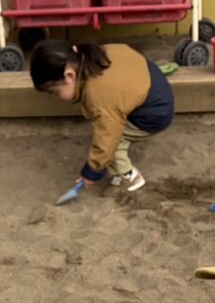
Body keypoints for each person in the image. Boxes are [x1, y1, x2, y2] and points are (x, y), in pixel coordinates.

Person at [29, 39, 174, 197]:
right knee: (107, 127)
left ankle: (129, 177)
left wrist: (92, 170)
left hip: (154, 113)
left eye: (55, 92)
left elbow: (108, 137)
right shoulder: (95, 54)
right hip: (152, 84)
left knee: (112, 143)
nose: (56, 98)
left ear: (69, 75)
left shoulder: (100, 96)